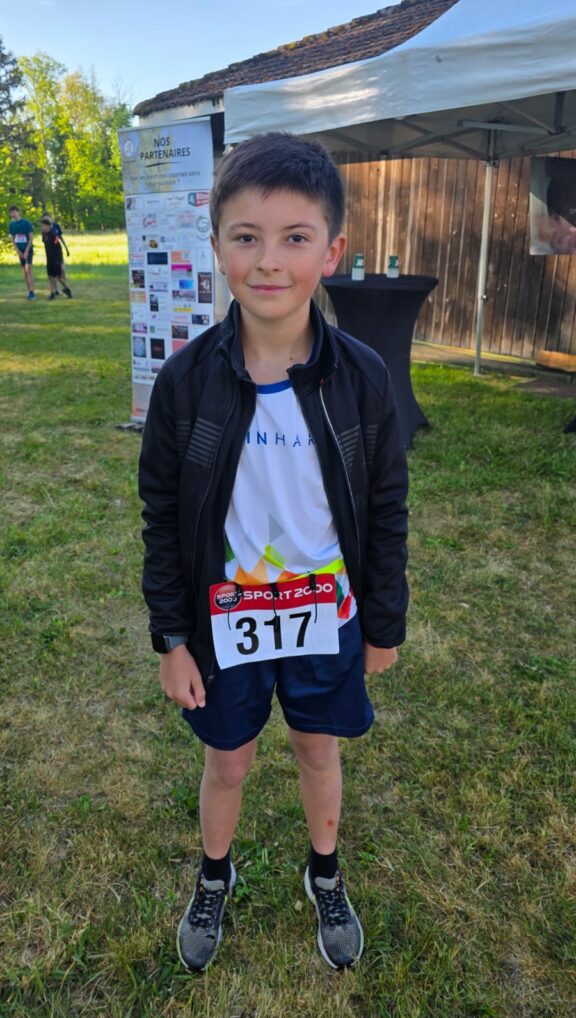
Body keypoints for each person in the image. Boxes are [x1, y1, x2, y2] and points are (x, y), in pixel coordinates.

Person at [139, 132, 409, 973]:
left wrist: (383, 623)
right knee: (229, 760)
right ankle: (213, 876)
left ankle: (324, 870)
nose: (268, 261)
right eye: (246, 237)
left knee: (318, 750)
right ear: (217, 245)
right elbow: (162, 516)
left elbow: (386, 507)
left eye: (294, 238)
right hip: (226, 620)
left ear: (330, 251)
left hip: (326, 615)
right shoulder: (186, 382)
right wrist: (172, 637)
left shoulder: (363, 378)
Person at [40, 215, 72, 300]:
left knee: (58, 276)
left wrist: (59, 257)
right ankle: (52, 292)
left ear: (48, 226)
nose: (42, 228)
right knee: (50, 276)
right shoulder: (44, 234)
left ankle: (66, 288)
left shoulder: (53, 234)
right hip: (49, 257)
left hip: (56, 257)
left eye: (43, 226)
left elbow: (58, 244)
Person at [8, 205, 35, 299]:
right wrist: (17, 250)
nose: (13, 214)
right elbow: (12, 239)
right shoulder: (11, 225)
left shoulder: (26, 223)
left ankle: (32, 292)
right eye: (11, 213)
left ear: (18, 212)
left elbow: (31, 237)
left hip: (28, 249)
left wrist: (27, 250)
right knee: (24, 271)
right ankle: (29, 291)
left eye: (14, 212)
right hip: (20, 251)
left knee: (28, 269)